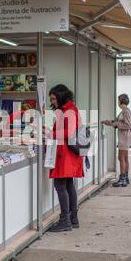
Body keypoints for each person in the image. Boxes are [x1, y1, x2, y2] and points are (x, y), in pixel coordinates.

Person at [45, 84, 84, 232]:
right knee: (68, 186)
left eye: (54, 98)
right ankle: (73, 219)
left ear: (61, 96)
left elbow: (68, 132)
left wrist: (51, 134)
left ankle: (65, 221)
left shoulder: (68, 110)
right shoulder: (69, 108)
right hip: (70, 154)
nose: (53, 102)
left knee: (60, 186)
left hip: (65, 154)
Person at [102, 94, 131, 187]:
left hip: (124, 138)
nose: (117, 102)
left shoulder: (126, 111)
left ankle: (122, 178)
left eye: (118, 100)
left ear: (121, 101)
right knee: (125, 158)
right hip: (124, 137)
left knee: (121, 157)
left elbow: (129, 125)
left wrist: (115, 124)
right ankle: (125, 177)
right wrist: (110, 122)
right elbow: (119, 122)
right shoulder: (123, 111)